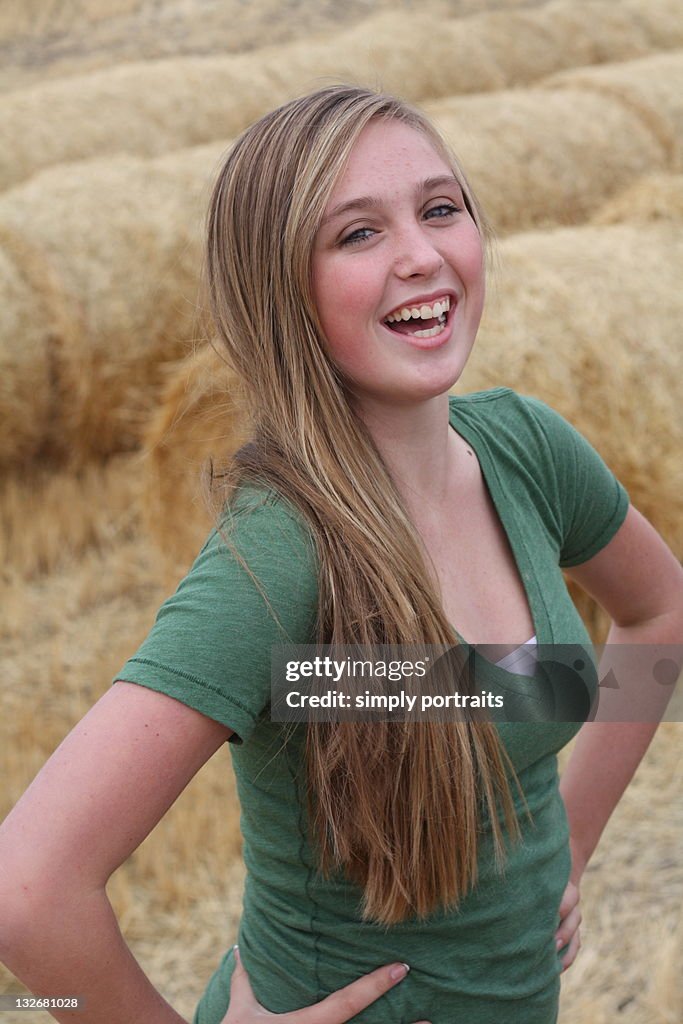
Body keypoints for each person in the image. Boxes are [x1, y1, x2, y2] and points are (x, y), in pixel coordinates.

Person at [0, 85, 681, 1024]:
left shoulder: (525, 451)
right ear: (281, 288)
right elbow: (26, 892)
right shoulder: (281, 555)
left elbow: (658, 612)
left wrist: (573, 831)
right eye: (356, 234)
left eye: (441, 209)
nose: (421, 255)